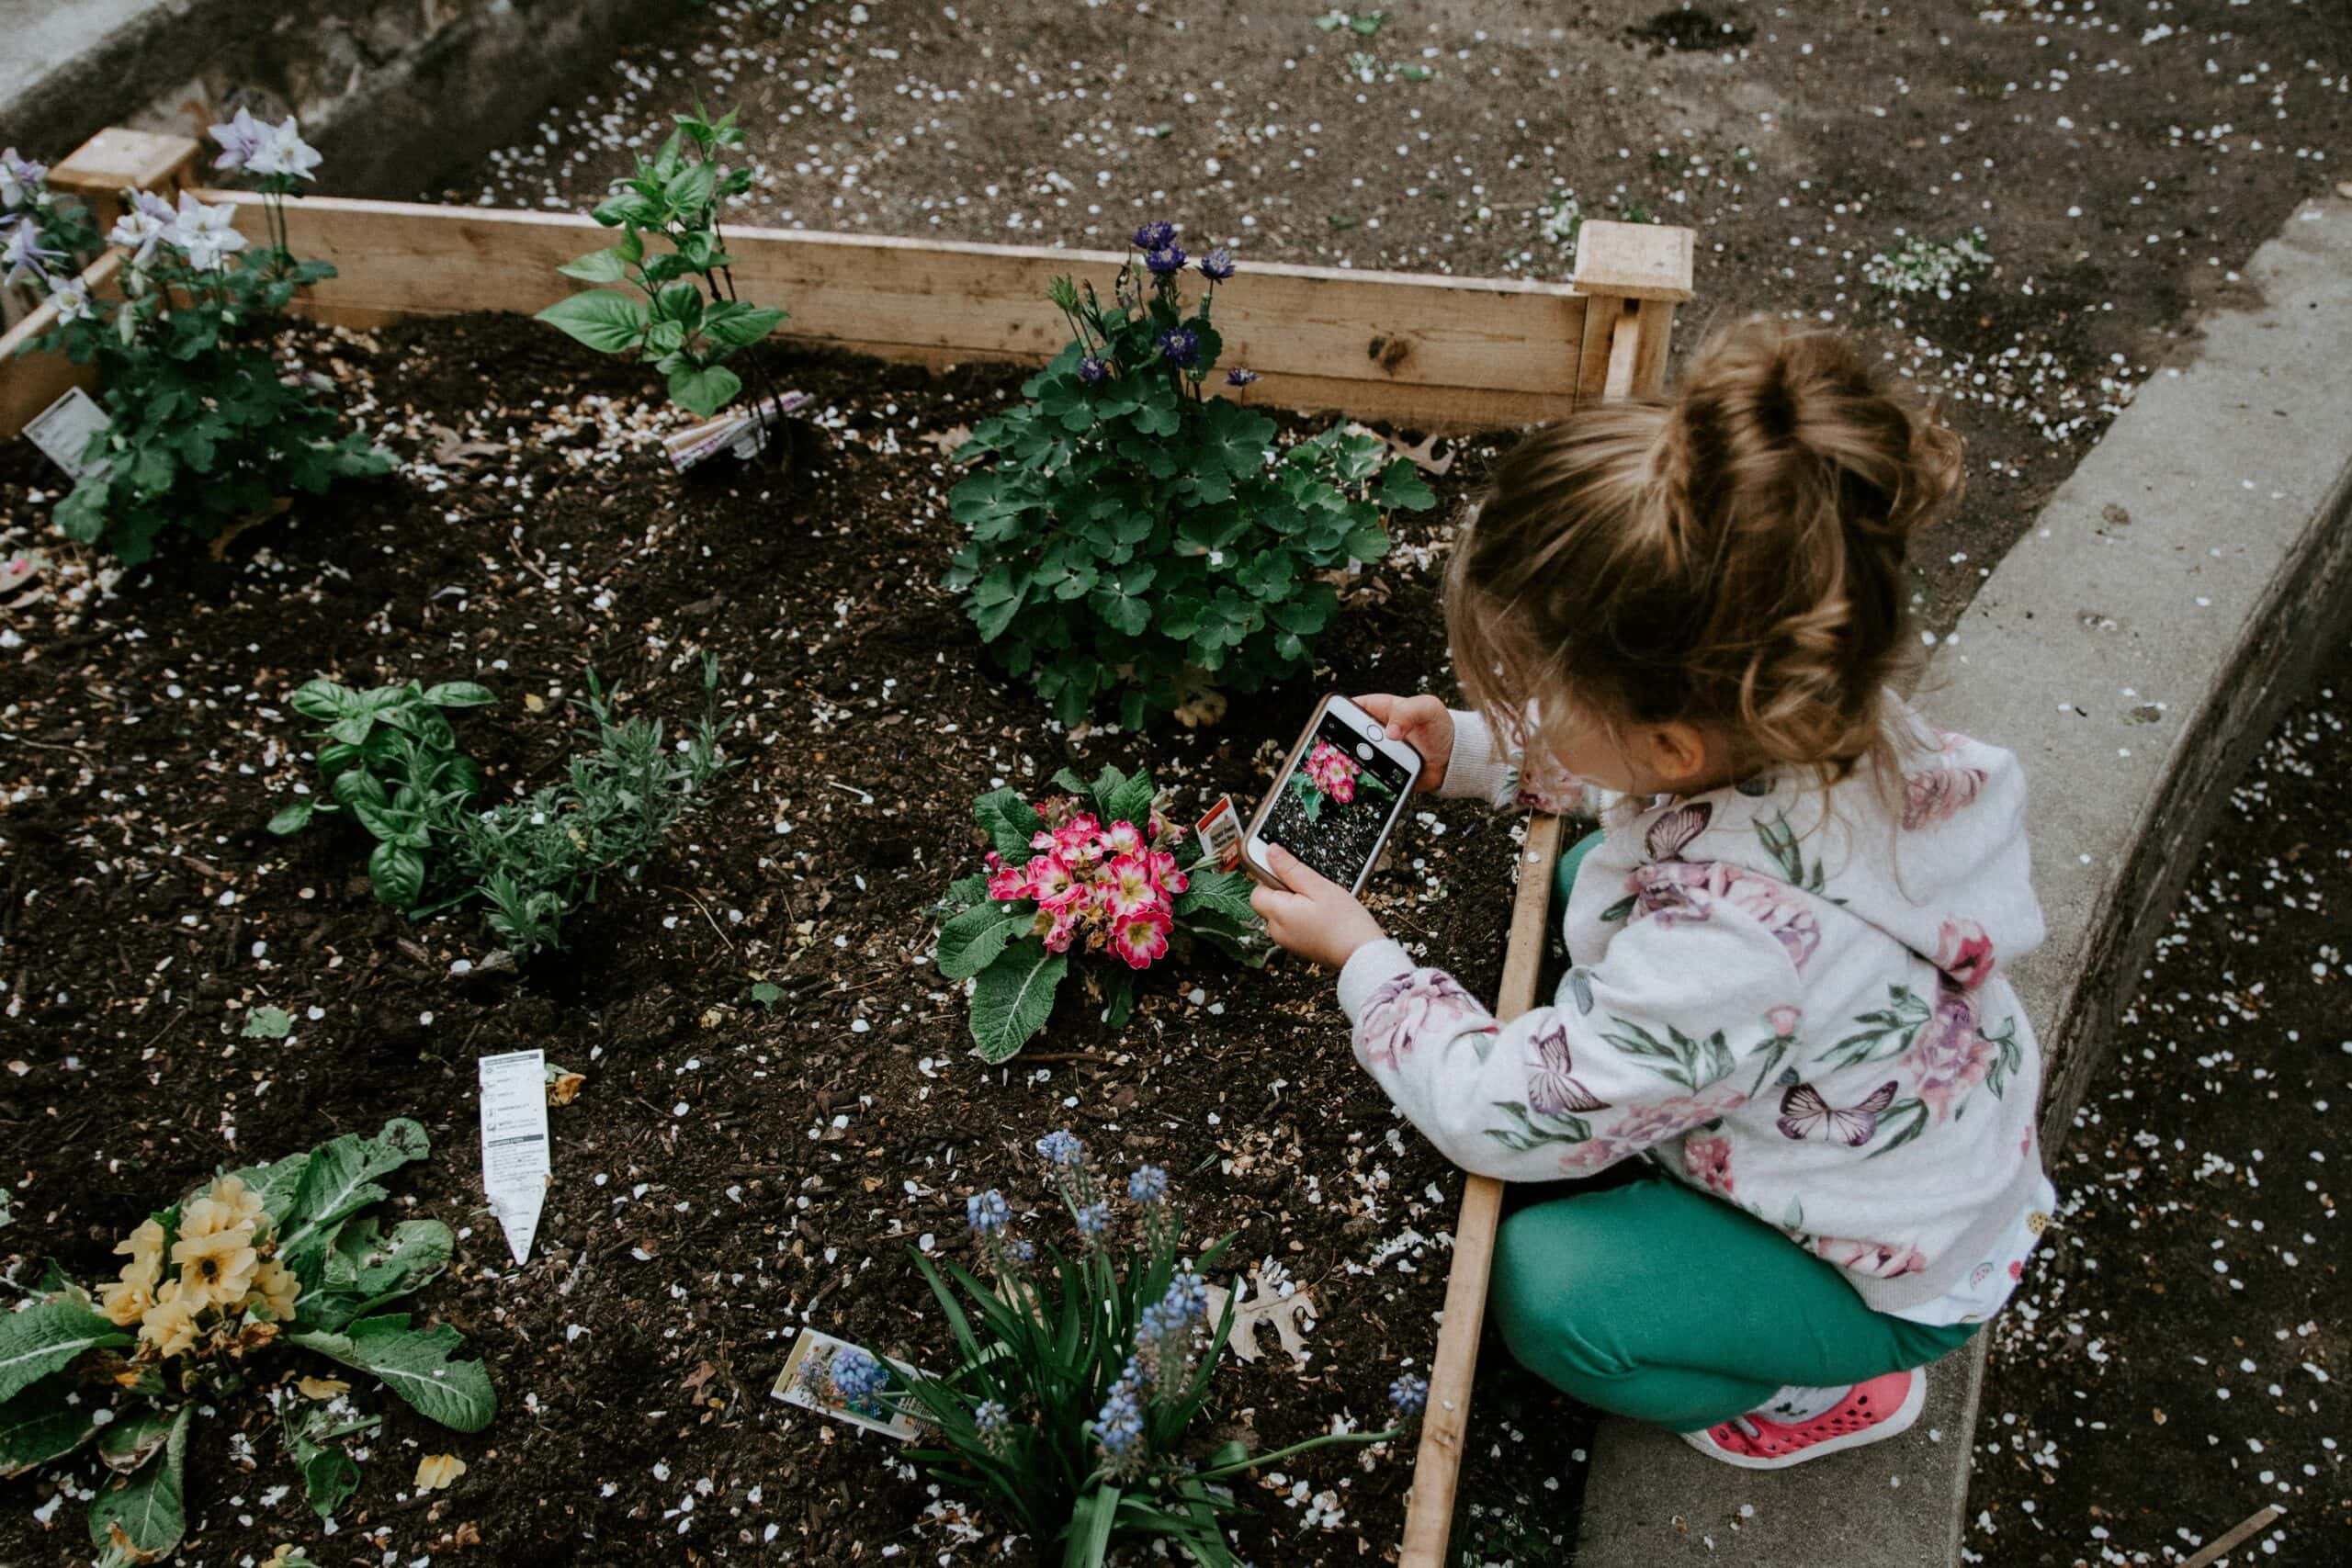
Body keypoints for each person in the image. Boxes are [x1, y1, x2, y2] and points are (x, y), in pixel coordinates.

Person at [1249, 319, 2054, 1469]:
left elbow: (1500, 1116)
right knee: (1590, 875)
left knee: (1549, 1291)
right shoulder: (1825, 715)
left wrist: (1366, 960)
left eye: (1535, 687)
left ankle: (1810, 1391)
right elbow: (1647, 781)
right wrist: (1472, 751)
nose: (1520, 698)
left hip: (1880, 1268)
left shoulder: (1723, 952)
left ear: (1673, 739)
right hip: (1901, 1137)